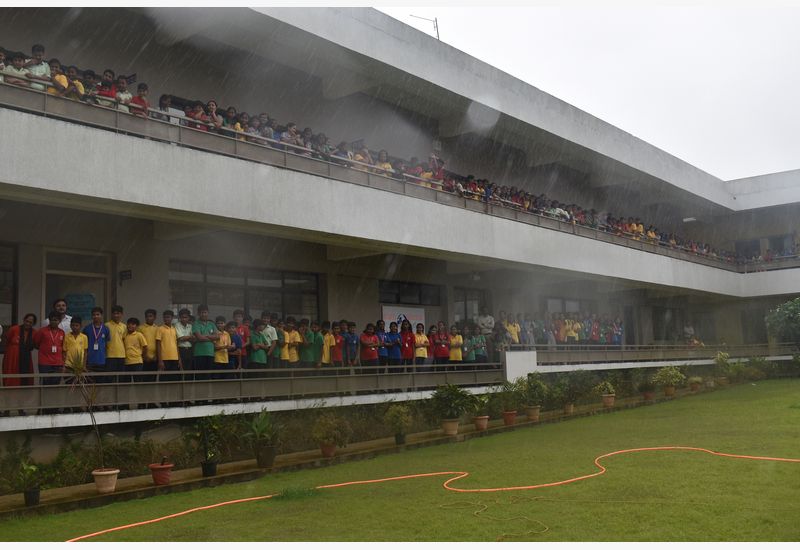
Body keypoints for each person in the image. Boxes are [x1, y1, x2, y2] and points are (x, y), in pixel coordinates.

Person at [2, 313, 36, 388]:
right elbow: (6, 341)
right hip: (12, 357)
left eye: (30, 322)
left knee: (25, 379)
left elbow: (34, 345)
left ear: (33, 324)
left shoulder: (34, 332)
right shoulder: (14, 329)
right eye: (26, 321)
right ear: (23, 320)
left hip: (26, 357)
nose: (28, 323)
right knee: (12, 375)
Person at [33, 311, 65, 386]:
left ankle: (54, 398)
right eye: (52, 320)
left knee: (56, 385)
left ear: (59, 321)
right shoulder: (42, 331)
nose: (54, 322)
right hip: (45, 362)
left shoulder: (62, 332)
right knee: (45, 385)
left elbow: (62, 347)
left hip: (58, 363)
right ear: (49, 320)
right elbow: (36, 344)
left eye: (56, 320)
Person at [82, 307, 111, 383]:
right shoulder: (87, 329)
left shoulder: (105, 329)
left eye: (98, 314)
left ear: (101, 315)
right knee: (90, 383)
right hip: (90, 361)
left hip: (101, 361)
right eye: (94, 315)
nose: (96, 316)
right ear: (91, 316)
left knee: (101, 383)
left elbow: (107, 343)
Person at [192, 304, 218, 381]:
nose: (204, 314)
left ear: (208, 313)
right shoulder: (196, 324)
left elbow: (217, 336)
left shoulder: (212, 324)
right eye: (202, 312)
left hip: (210, 353)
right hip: (199, 353)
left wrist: (205, 336)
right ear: (198, 313)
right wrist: (211, 338)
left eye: (205, 312)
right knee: (200, 376)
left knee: (208, 376)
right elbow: (199, 338)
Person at [156, 310, 180, 382]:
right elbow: (158, 345)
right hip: (164, 359)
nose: (166, 319)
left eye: (168, 317)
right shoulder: (160, 329)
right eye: (165, 317)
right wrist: (160, 360)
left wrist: (179, 359)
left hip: (175, 358)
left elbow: (176, 345)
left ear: (172, 318)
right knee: (164, 379)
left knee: (173, 379)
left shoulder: (174, 329)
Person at [105, 305, 127, 383]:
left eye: (118, 313)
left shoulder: (124, 326)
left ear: (122, 314)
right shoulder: (106, 325)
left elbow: (124, 340)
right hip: (110, 355)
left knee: (121, 378)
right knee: (110, 378)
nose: (116, 315)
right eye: (114, 313)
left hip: (121, 355)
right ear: (111, 314)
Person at [123, 317, 147, 383]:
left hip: (137, 362)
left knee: (138, 382)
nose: (130, 326)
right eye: (129, 324)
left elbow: (145, 347)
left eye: (133, 324)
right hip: (127, 362)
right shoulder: (125, 335)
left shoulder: (139, 335)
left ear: (136, 326)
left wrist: (142, 356)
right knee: (126, 382)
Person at [139, 309, 159, 383]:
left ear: (155, 317)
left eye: (150, 316)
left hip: (154, 358)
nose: (148, 318)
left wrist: (156, 356)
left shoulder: (158, 328)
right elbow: (138, 344)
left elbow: (159, 343)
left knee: (153, 379)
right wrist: (144, 356)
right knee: (144, 379)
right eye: (147, 316)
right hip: (144, 358)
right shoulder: (140, 328)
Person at [175, 308, 194, 378]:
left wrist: (186, 338)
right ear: (180, 318)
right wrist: (190, 337)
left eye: (186, 317)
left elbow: (194, 339)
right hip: (181, 349)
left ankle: (188, 386)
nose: (184, 319)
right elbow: (180, 338)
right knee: (180, 368)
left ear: (189, 318)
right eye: (182, 317)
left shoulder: (191, 326)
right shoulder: (177, 325)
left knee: (189, 369)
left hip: (190, 349)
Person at [213, 316, 233, 380]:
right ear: (215, 324)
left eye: (222, 323)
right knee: (216, 378)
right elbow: (214, 347)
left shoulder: (227, 334)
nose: (220, 325)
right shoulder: (214, 333)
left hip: (225, 360)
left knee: (224, 378)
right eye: (218, 323)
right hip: (216, 359)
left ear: (225, 324)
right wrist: (225, 347)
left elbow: (229, 347)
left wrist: (232, 347)